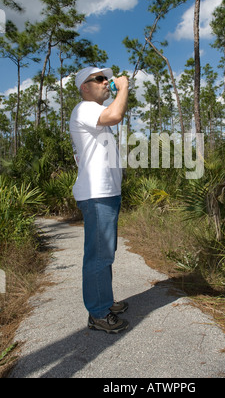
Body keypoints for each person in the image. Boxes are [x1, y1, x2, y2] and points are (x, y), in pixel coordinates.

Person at [70, 66, 129, 333]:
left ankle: (103, 301)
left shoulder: (94, 113)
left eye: (107, 79)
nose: (106, 82)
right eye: (99, 79)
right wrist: (123, 86)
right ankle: (98, 313)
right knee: (98, 256)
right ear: (85, 87)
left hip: (107, 194)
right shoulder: (85, 108)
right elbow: (116, 114)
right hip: (97, 196)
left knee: (105, 254)